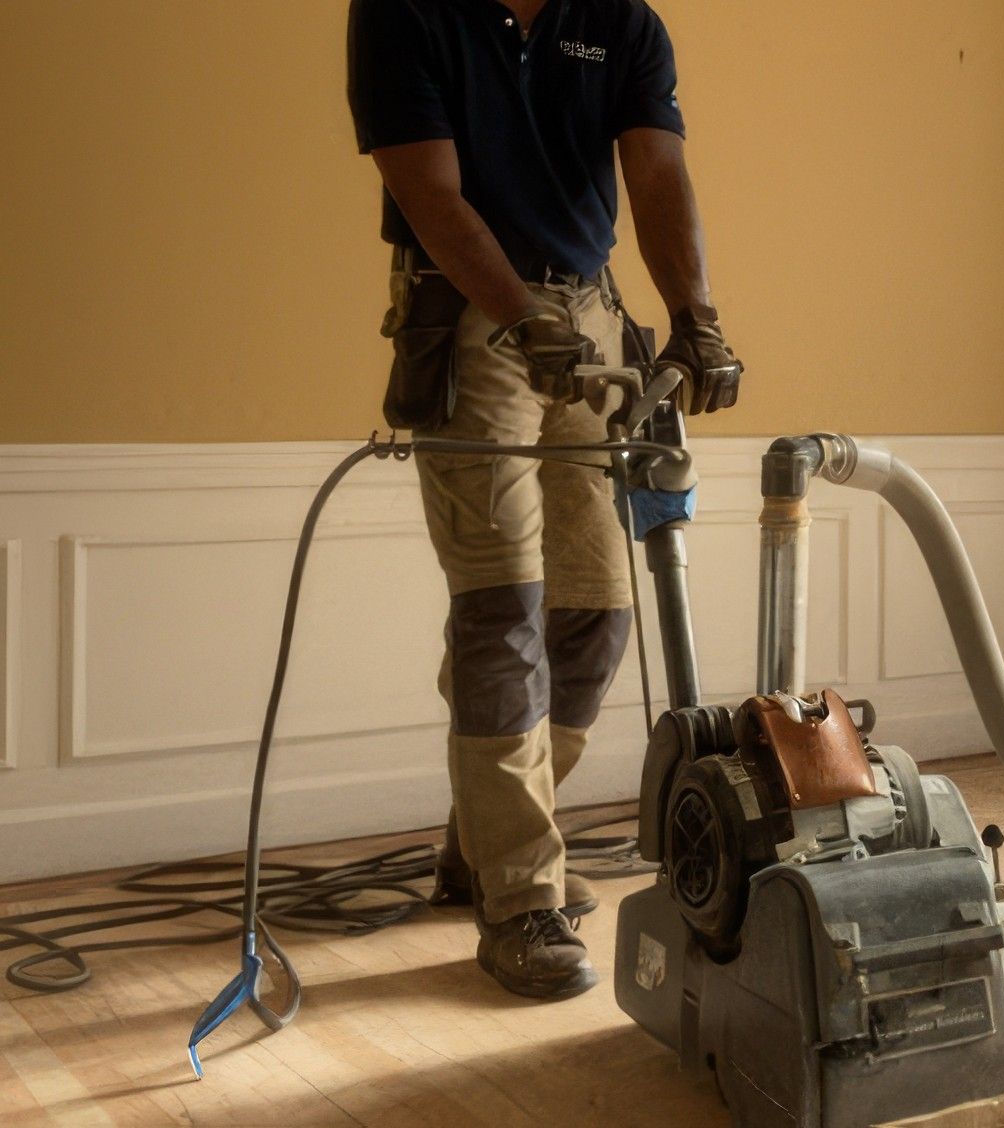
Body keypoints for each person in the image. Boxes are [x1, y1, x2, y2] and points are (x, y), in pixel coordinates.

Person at [346, 0, 742, 1001]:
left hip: (589, 314)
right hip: (471, 312)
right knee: (501, 609)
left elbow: (655, 170)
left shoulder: (623, 22)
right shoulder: (406, 12)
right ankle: (520, 899)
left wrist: (695, 317)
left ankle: (478, 844)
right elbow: (430, 190)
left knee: (595, 616)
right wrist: (520, 318)